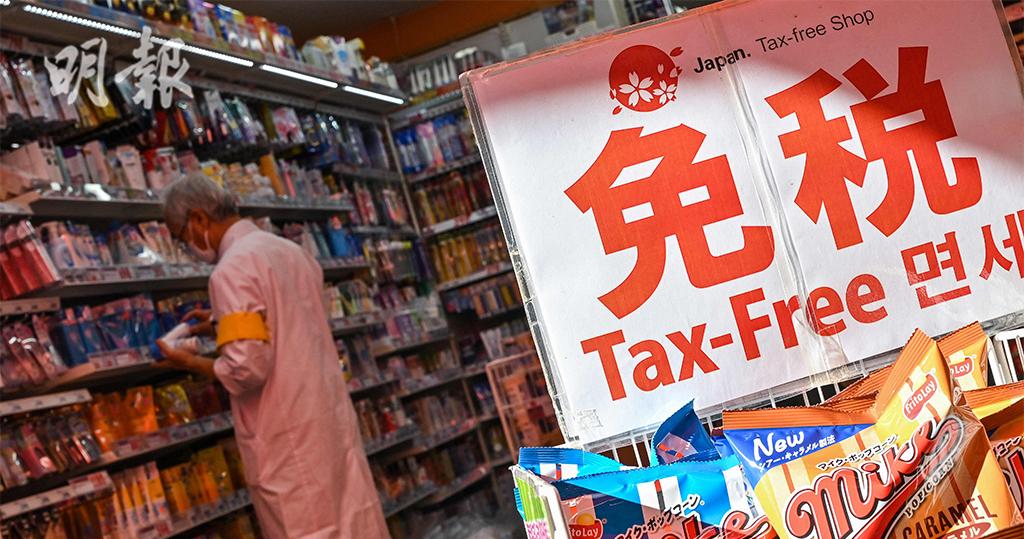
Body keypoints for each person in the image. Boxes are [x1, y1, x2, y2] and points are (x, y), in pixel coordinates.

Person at [157, 174, 389, 539]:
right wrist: (219, 323)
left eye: (181, 236)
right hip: (327, 420)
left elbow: (246, 368)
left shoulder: (231, 271)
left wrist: (188, 362)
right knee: (355, 520)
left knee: (309, 529)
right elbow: (282, 322)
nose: (186, 246)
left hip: (287, 438)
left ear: (199, 218)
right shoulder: (290, 252)